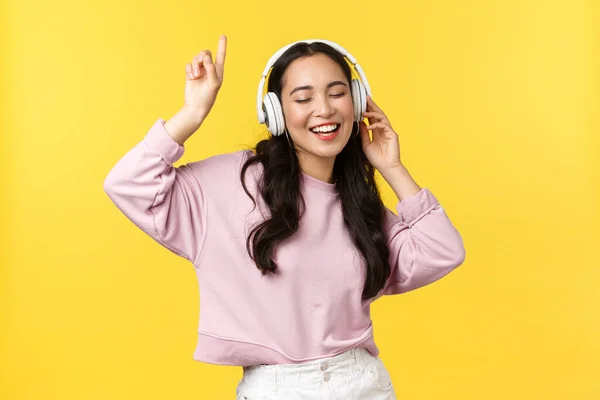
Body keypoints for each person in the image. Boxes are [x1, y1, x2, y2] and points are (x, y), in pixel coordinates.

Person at [104, 35, 466, 399]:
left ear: (357, 102)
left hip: (364, 384)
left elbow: (443, 250)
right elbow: (127, 183)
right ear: (275, 112)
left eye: (337, 93)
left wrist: (391, 166)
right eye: (303, 98)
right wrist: (193, 112)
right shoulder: (230, 184)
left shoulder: (359, 205)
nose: (324, 109)